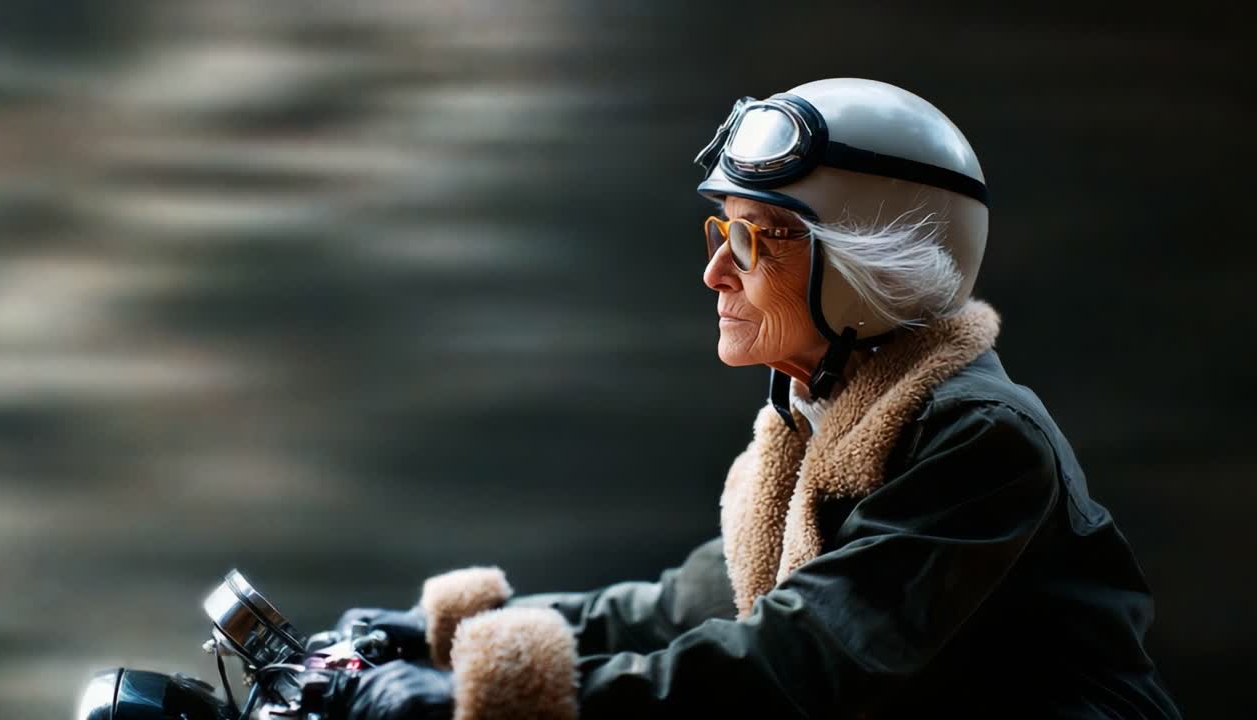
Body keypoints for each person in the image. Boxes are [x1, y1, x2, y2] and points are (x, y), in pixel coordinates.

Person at [324, 79, 1182, 720]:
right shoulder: (824, 420)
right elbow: (677, 609)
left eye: (754, 240)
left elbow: (804, 659)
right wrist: (446, 632)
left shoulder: (978, 439)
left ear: (866, 266)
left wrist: (481, 699)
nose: (715, 273)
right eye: (720, 231)